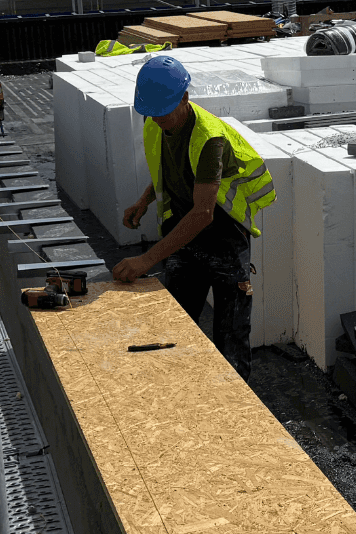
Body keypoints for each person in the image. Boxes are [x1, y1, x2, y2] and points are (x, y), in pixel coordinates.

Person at [111, 55, 277, 378]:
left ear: (185, 99)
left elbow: (204, 213)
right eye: (152, 113)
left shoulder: (209, 138)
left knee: (230, 344)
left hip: (225, 238)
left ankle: (237, 414)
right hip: (186, 233)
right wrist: (145, 200)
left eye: (164, 112)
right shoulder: (158, 121)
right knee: (174, 324)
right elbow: (172, 167)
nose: (157, 119)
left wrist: (146, 260)